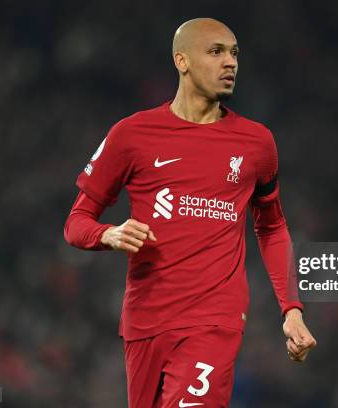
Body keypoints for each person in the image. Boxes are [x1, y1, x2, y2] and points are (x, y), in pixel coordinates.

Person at [63, 17, 316, 408]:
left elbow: (272, 227)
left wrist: (292, 310)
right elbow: (76, 223)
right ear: (182, 60)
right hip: (145, 321)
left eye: (234, 53)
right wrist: (108, 235)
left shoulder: (257, 143)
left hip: (215, 320)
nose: (230, 62)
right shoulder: (132, 135)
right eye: (216, 52)